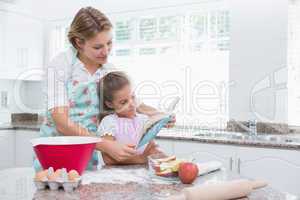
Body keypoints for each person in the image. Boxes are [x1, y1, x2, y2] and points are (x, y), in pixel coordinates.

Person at [34, 7, 175, 171]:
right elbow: (62, 124)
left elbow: (134, 103)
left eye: (109, 43)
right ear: (79, 42)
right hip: (57, 152)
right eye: (98, 47)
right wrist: (106, 145)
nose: (106, 51)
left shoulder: (108, 70)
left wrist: (161, 116)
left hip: (89, 153)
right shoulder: (60, 65)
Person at [97, 71, 163, 165]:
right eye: (124, 102)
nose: (131, 104)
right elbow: (108, 160)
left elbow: (152, 150)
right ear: (110, 104)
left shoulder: (144, 120)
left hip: (143, 176)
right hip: (117, 177)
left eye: (132, 97)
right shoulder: (109, 122)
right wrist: (141, 159)